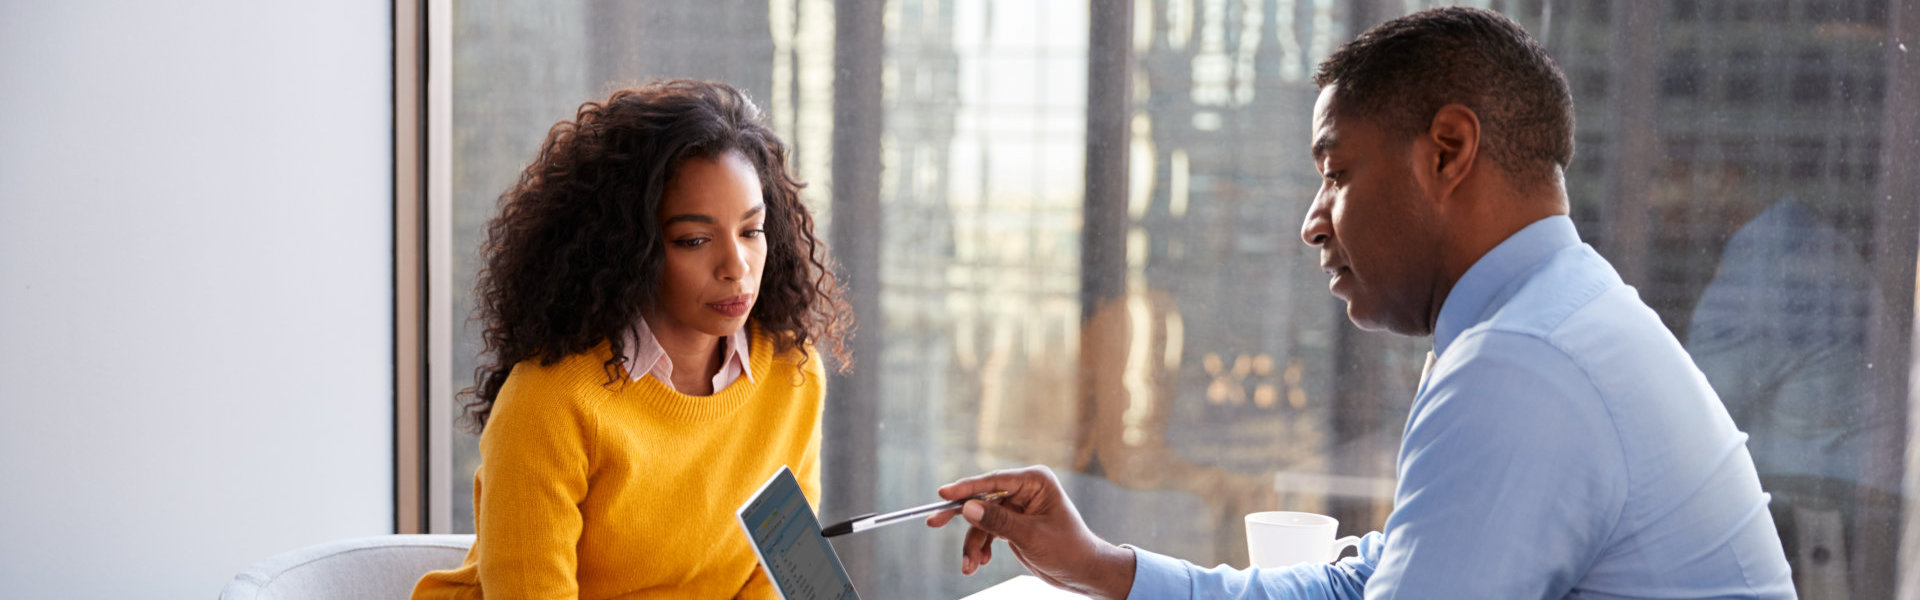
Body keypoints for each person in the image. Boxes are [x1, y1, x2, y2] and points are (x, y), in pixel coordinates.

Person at [926, 8, 1793, 599]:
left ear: (1448, 150)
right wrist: (1105, 569)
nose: (1313, 223)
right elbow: (1366, 581)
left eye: (1337, 173)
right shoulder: (1561, 316)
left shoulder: (1523, 365)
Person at [412, 79, 851, 599]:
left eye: (751, 231)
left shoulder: (790, 372)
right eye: (694, 239)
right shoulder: (550, 403)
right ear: (630, 248)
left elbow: (776, 581)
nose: (737, 267)